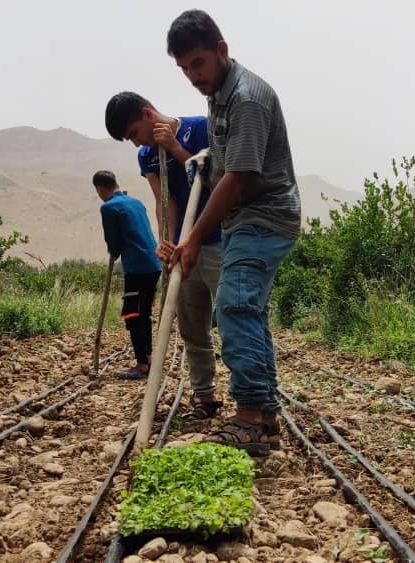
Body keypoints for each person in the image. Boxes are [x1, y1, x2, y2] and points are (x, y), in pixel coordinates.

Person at [164, 9, 302, 455]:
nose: (192, 76)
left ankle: (248, 416)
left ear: (222, 50)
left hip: (265, 216)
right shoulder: (219, 91)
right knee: (248, 310)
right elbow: (226, 164)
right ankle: (263, 419)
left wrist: (193, 239)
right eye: (184, 68)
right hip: (248, 218)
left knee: (235, 304)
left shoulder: (244, 97)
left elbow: (238, 176)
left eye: (198, 64)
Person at [104, 92, 225, 420]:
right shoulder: (146, 155)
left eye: (132, 133)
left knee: (232, 320)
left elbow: (218, 182)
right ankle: (206, 398)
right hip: (183, 249)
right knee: (191, 325)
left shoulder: (200, 129)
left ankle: (250, 402)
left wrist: (173, 147)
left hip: (217, 241)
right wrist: (166, 241)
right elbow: (163, 200)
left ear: (146, 114)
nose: (134, 143)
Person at [92, 170, 162, 380]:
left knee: (133, 315)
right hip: (153, 263)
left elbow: (113, 242)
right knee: (144, 313)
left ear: (100, 188)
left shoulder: (109, 208)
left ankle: (142, 365)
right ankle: (148, 359)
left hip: (137, 267)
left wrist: (114, 250)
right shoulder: (135, 202)